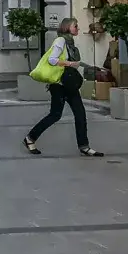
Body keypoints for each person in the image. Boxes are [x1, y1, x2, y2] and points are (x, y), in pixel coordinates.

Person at [24, 18, 103, 157]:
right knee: (55, 115)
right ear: (67, 27)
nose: (77, 28)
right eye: (75, 26)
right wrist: (70, 64)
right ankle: (30, 138)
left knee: (80, 114)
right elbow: (52, 60)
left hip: (69, 84)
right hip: (59, 85)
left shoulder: (71, 43)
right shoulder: (60, 41)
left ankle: (84, 146)